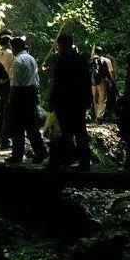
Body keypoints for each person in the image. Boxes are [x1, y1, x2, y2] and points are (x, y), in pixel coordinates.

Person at [47, 32, 92, 172]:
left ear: (60, 45)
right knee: (80, 130)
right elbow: (87, 81)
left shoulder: (61, 61)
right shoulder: (81, 59)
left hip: (64, 101)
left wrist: (51, 100)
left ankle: (64, 159)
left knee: (64, 131)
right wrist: (88, 99)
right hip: (79, 101)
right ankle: (84, 161)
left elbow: (57, 82)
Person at [5, 37, 48, 165]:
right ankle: (40, 151)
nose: (11, 50)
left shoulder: (18, 60)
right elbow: (36, 78)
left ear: (16, 47)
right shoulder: (31, 58)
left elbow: (16, 83)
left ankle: (17, 154)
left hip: (20, 94)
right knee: (31, 125)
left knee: (17, 125)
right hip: (31, 93)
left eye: (12, 47)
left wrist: (10, 99)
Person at [0, 32, 14, 149]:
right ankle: (5, 136)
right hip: (7, 83)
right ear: (8, 43)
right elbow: (11, 69)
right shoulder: (10, 53)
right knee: (5, 109)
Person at [90, 45, 115, 123]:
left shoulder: (90, 60)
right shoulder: (106, 60)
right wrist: (113, 80)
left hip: (92, 82)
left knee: (95, 99)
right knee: (102, 99)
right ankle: (99, 116)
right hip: (102, 81)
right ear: (101, 52)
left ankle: (96, 115)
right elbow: (111, 72)